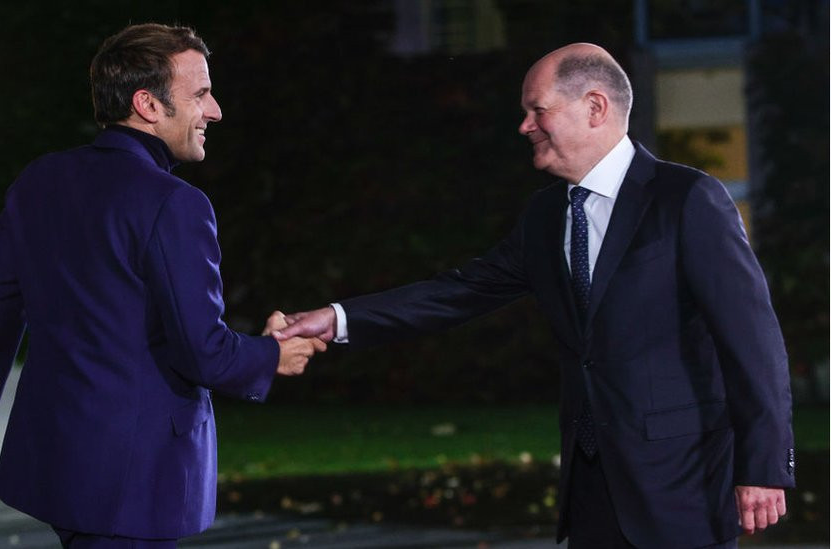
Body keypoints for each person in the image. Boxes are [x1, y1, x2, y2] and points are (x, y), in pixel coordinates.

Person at [274, 43, 794, 548]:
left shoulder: (686, 199)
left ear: (595, 107)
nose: (524, 126)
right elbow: (459, 291)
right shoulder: (545, 216)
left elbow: (753, 340)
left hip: (681, 484)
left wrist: (764, 467)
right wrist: (337, 318)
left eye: (537, 110)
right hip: (590, 488)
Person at [0, 23, 325, 548]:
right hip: (135, 484)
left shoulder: (40, 182)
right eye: (200, 94)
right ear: (148, 104)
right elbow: (202, 353)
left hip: (57, 469)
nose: (215, 111)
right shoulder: (175, 204)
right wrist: (273, 355)